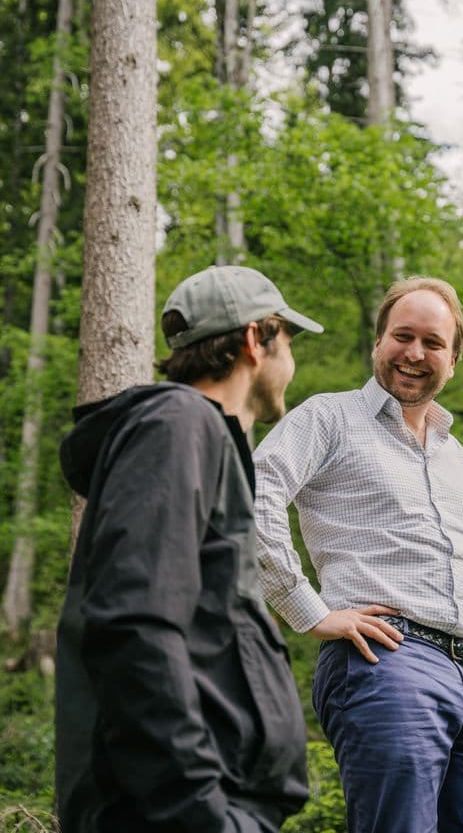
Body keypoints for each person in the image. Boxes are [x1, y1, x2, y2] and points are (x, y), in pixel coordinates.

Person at [253, 276, 463, 833]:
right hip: (385, 661)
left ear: (453, 361)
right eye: (402, 336)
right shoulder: (328, 418)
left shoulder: (455, 455)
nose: (415, 353)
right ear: (378, 344)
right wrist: (308, 609)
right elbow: (256, 491)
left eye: (433, 343)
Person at [55, 264, 323, 833]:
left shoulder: (196, 440)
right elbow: (135, 624)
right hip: (173, 812)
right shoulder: (179, 425)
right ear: (257, 338)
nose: (292, 362)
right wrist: (198, 808)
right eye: (289, 340)